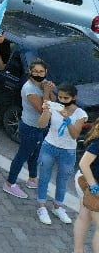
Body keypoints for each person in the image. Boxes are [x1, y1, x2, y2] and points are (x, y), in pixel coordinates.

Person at [35, 84, 87, 225]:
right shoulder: (54, 107)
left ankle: (58, 206)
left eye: (66, 98)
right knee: (44, 177)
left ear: (74, 98)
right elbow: (41, 125)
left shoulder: (80, 114)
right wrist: (46, 112)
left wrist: (67, 119)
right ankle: (41, 207)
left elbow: (75, 134)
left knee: (63, 180)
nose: (63, 100)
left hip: (68, 151)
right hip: (49, 146)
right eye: (60, 97)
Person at [4, 59, 54, 199]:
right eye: (36, 71)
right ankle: (10, 183)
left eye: (41, 71)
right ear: (30, 72)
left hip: (41, 127)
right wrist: (46, 92)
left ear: (46, 72)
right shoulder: (29, 89)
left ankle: (32, 179)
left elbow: (54, 101)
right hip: (30, 128)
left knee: (35, 155)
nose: (39, 74)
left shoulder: (43, 84)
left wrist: (49, 90)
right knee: (22, 156)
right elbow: (42, 110)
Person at [72, 124, 99, 253]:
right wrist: (94, 187)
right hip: (91, 185)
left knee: (84, 217)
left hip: (85, 183)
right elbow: (84, 163)